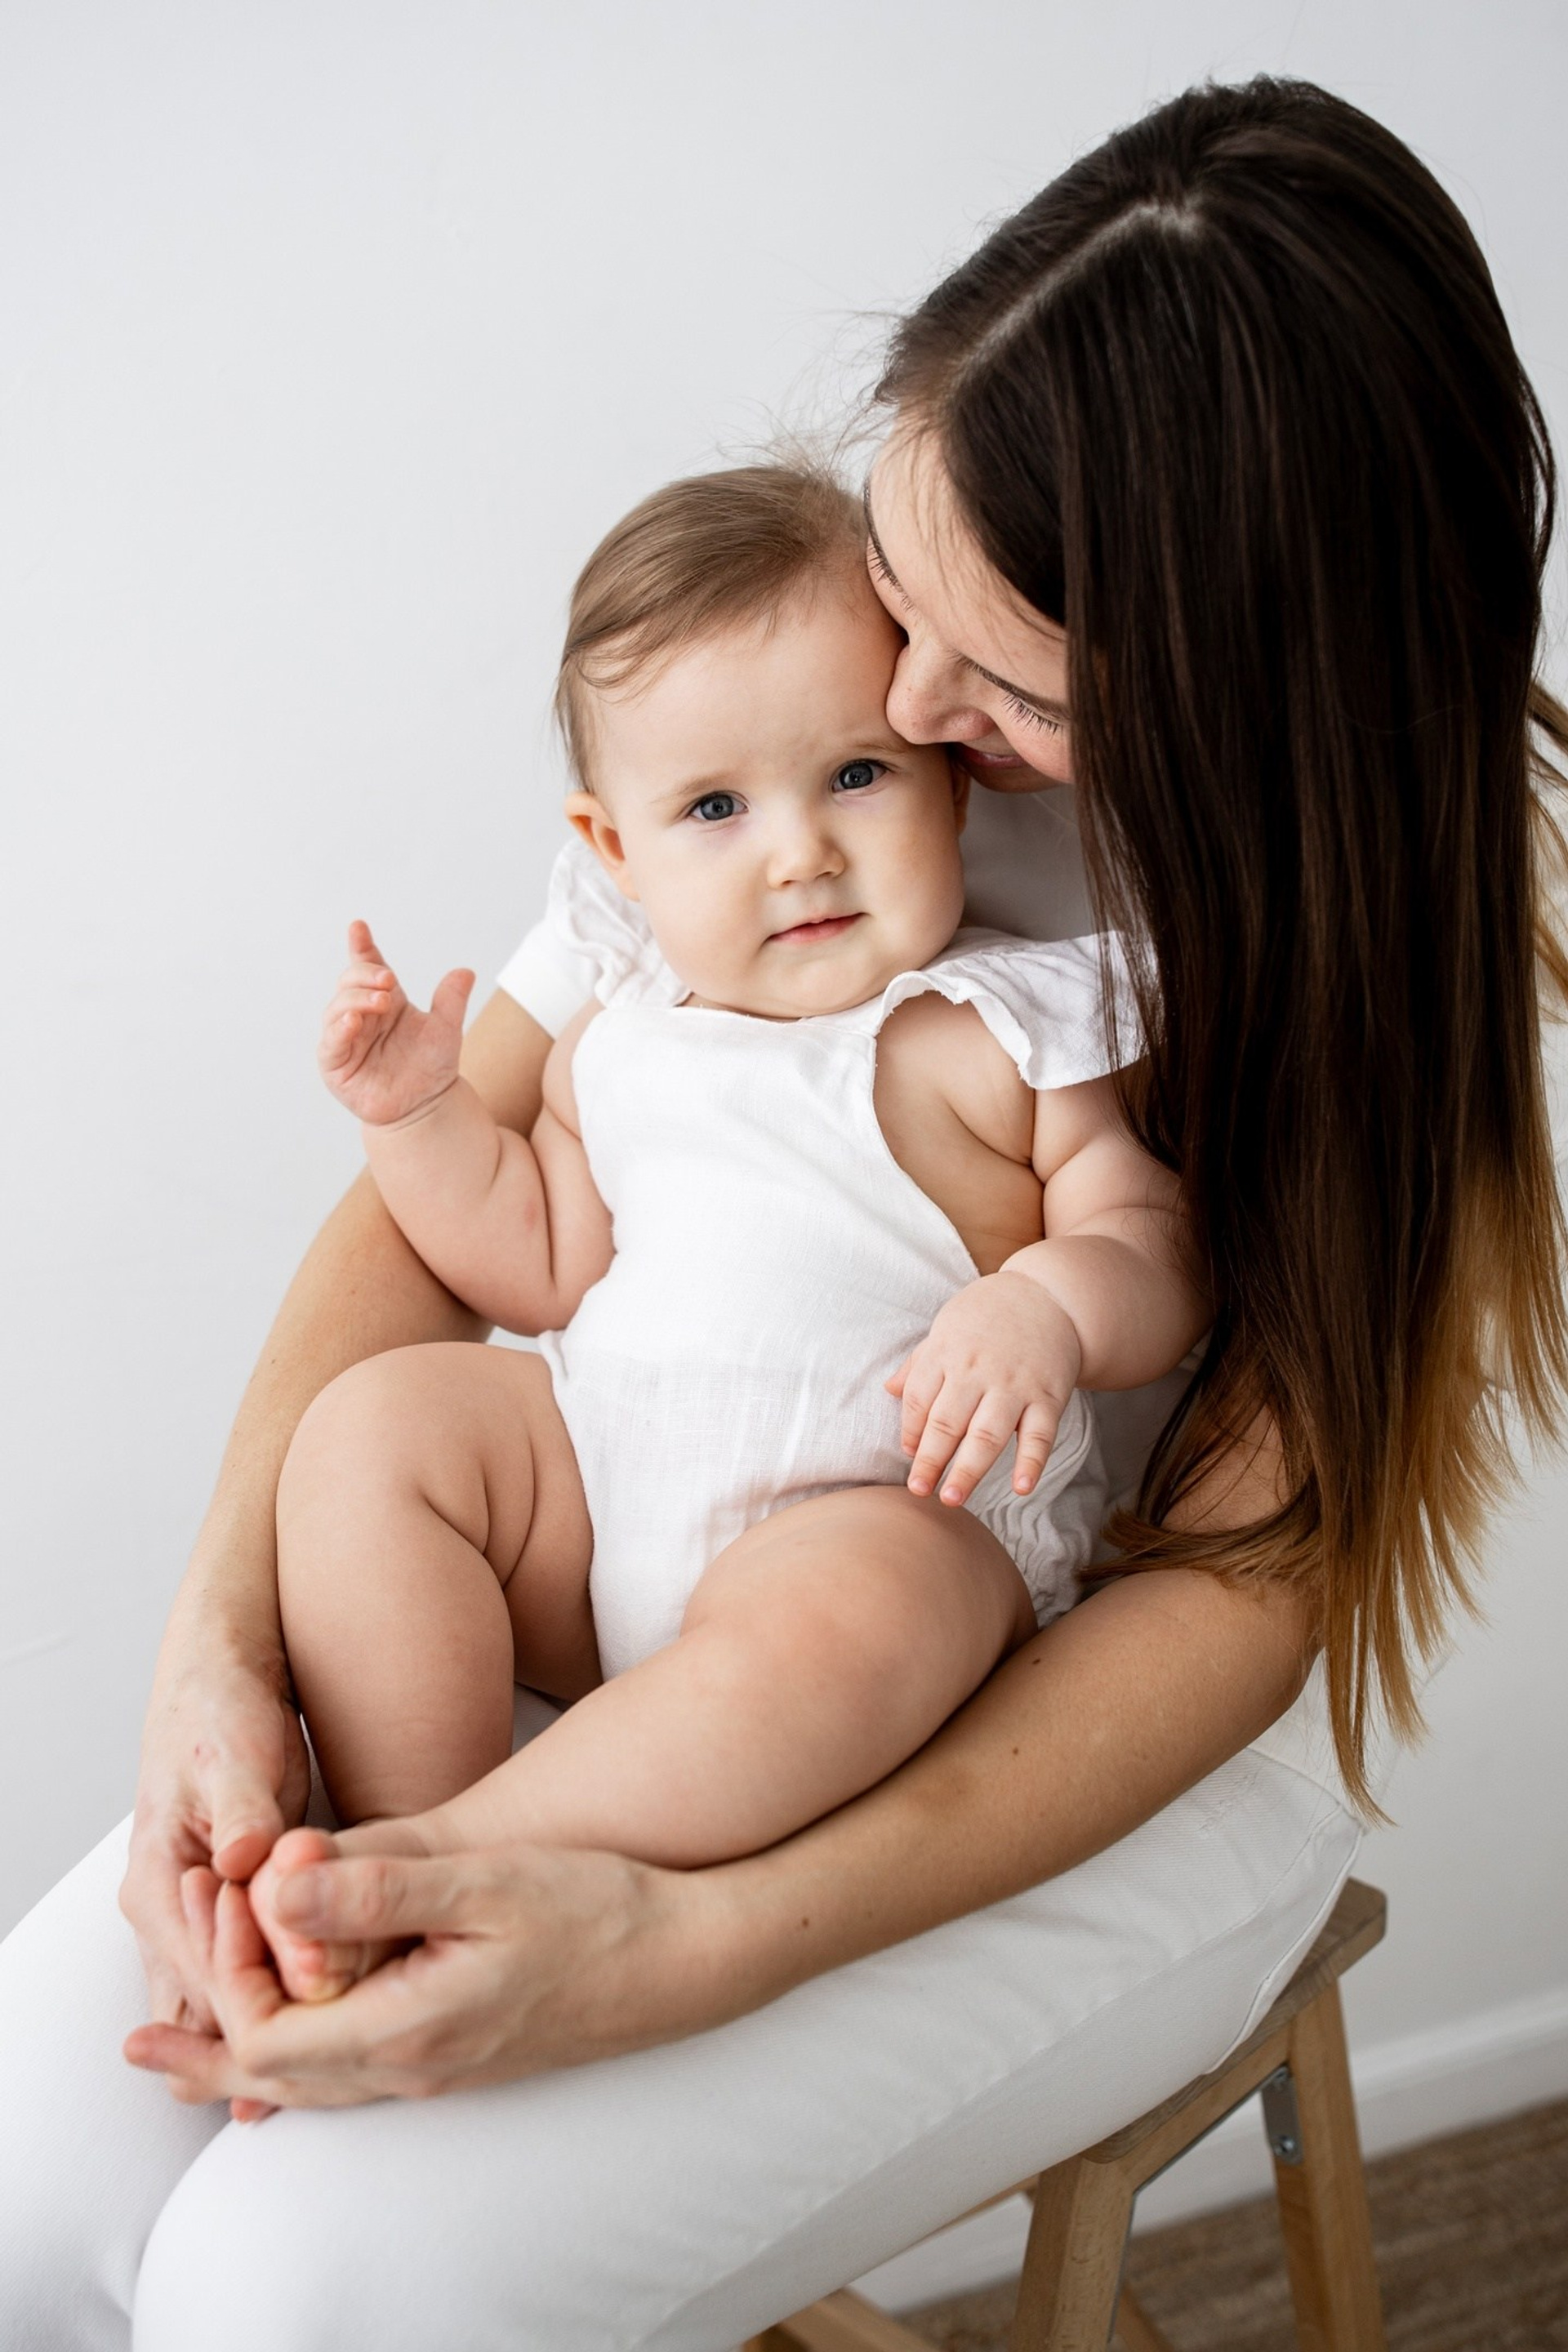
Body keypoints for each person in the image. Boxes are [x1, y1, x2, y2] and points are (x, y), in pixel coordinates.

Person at [2, 75, 1562, 2352]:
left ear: (1234, 687)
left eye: (994, 681)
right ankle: (420, 1851)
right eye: (904, 587)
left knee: (297, 2279)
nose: (899, 706)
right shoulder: (802, 718)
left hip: (1040, 1708)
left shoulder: (1279, 971)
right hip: (631, 1571)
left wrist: (685, 1943)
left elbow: (1232, 1590)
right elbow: (444, 1209)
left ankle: (467, 1866)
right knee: (30, 2161)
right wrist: (212, 1660)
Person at [243, 461, 1205, 2007]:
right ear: (613, 851)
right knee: (374, 1430)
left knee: (859, 1612)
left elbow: (1152, 1240)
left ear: (954, 786)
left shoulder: (999, 1029)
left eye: (857, 775)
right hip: (599, 1505)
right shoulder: (617, 1040)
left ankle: (462, 1857)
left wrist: (1050, 1307)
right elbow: (536, 1256)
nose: (798, 851)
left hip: (882, 1505)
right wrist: (418, 1117)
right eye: (714, 808)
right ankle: (405, 1814)